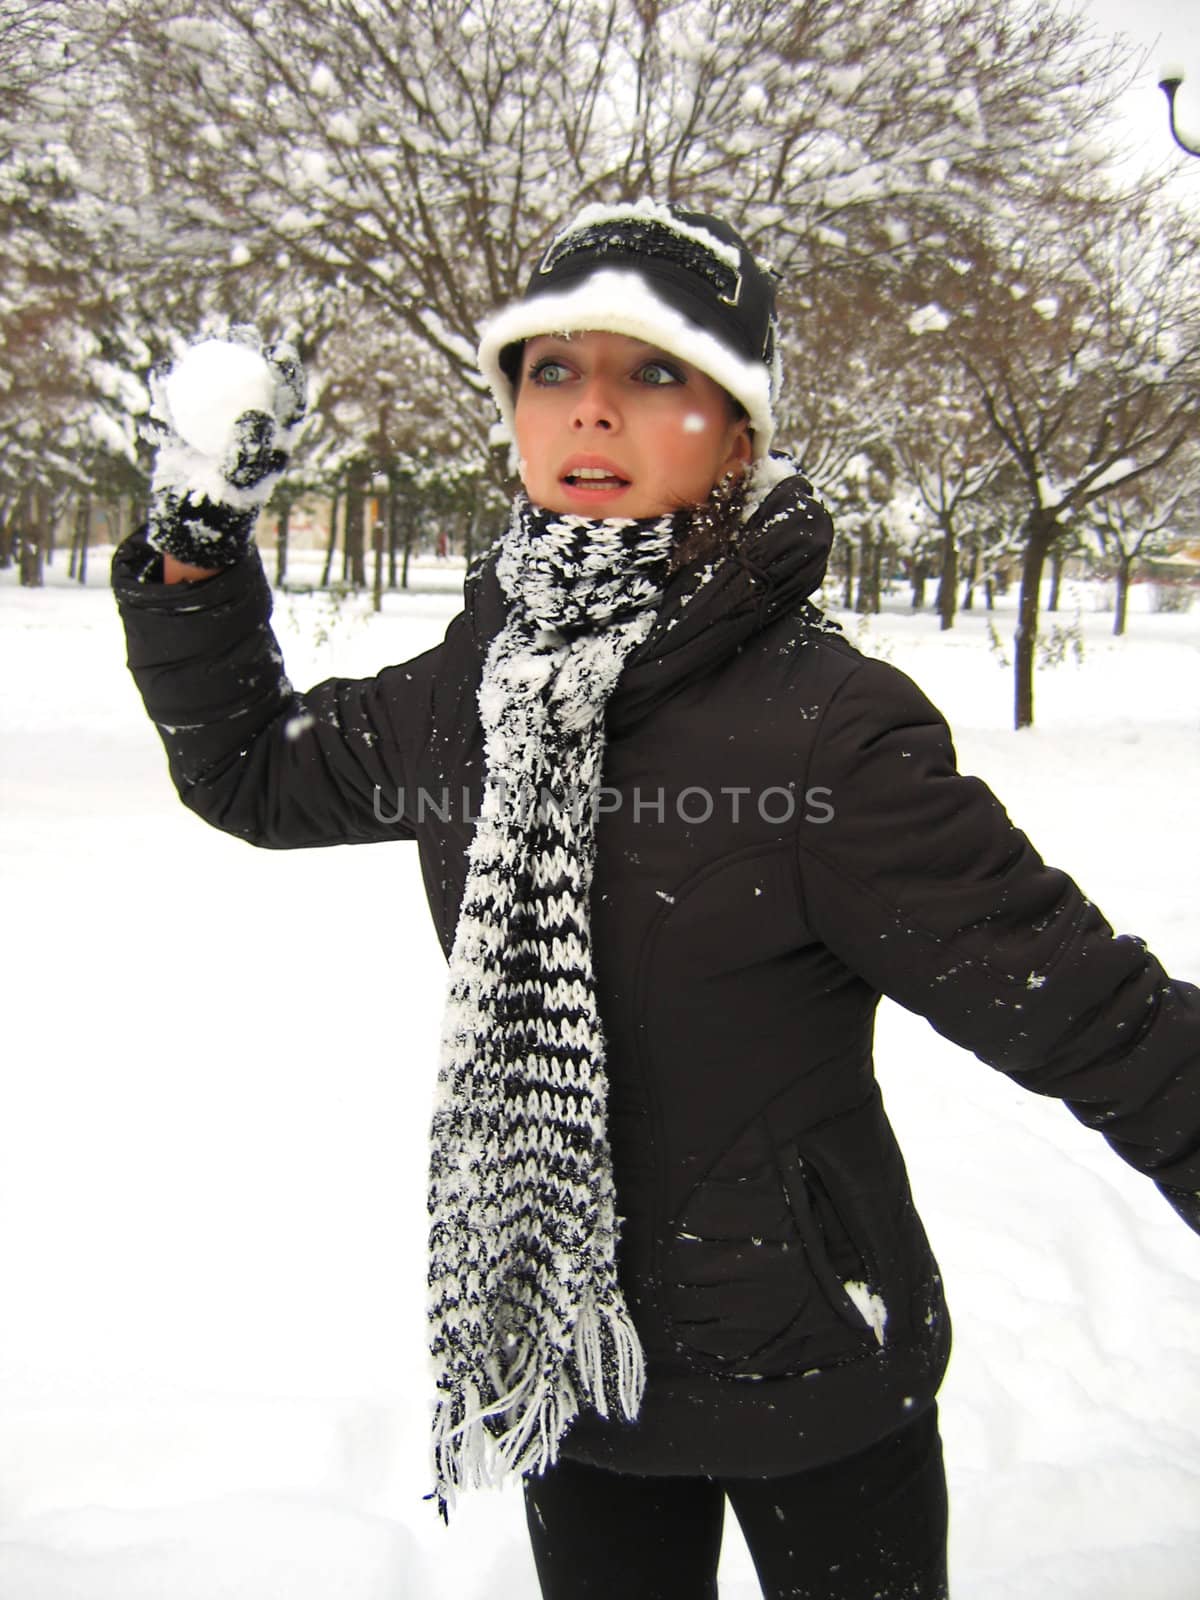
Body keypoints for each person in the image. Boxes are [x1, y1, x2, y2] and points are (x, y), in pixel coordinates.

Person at [112, 197, 1199, 1600]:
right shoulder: (468, 698)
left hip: (812, 1360)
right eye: (553, 371)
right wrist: (199, 557)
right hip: (568, 1352)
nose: (594, 414)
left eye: (657, 373)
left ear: (738, 430)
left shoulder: (829, 733)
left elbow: (1083, 1009)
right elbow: (255, 775)